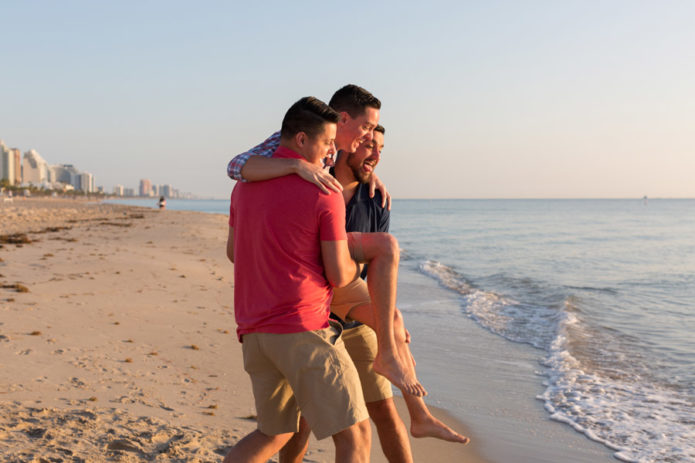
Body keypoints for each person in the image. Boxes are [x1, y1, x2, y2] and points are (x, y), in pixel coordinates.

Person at [280, 126, 470, 463]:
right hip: (314, 317)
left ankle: (420, 418)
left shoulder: (376, 200)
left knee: (384, 409)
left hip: (354, 316)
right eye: (368, 145)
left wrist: (383, 322)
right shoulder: (316, 185)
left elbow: (374, 271)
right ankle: (421, 414)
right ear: (346, 145)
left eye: (381, 147)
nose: (376, 154)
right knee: (303, 420)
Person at [227, 84, 425, 398]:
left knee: (392, 314)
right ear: (343, 120)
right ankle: (397, 371)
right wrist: (296, 164)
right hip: (306, 274)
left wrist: (369, 173)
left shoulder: (340, 155)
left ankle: (415, 404)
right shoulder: (304, 141)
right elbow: (236, 167)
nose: (369, 137)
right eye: (367, 128)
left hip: (320, 256)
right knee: (384, 249)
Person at [224, 96, 370, 463]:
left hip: (255, 331)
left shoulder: (243, 187)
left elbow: (233, 252)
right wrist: (358, 261)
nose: (330, 157)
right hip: (303, 329)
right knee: (356, 435)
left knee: (274, 432)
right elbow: (338, 274)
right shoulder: (324, 191)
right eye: (326, 146)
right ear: (302, 140)